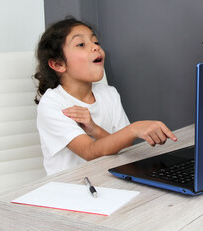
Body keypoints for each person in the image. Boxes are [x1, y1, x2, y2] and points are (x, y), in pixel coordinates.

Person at [34, 17, 177, 175]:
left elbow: (124, 148)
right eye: (81, 44)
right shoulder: (53, 104)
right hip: (71, 189)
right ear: (58, 64)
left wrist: (95, 129)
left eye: (96, 42)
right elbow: (89, 151)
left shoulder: (109, 93)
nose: (95, 47)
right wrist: (134, 128)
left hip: (107, 180)